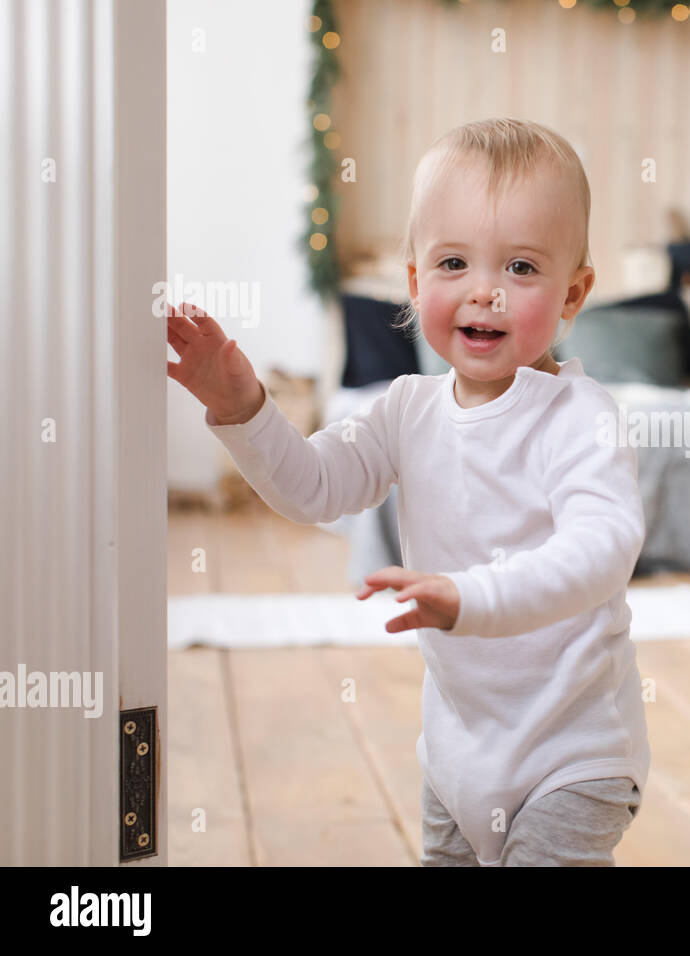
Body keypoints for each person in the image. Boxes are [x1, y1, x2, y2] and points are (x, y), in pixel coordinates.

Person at [165, 117, 648, 866]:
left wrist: (471, 595)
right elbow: (315, 487)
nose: (484, 291)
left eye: (521, 268)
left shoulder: (577, 418)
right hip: (456, 751)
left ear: (572, 295)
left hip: (571, 754)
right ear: (418, 281)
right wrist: (242, 408)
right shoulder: (404, 409)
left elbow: (603, 548)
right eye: (454, 262)